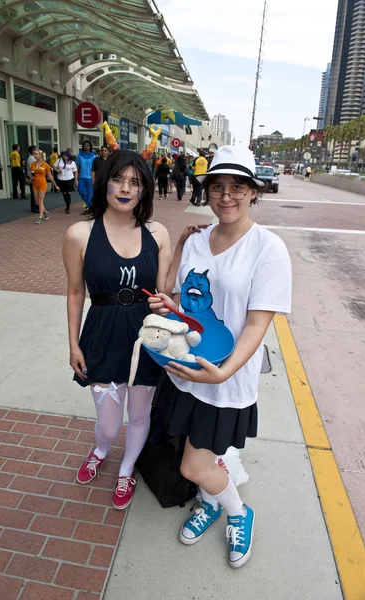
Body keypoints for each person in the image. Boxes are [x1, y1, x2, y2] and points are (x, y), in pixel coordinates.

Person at [148, 145, 292, 568]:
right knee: (200, 454)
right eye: (217, 187)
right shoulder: (196, 239)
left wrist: (223, 373)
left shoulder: (268, 249)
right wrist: (168, 306)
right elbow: (181, 301)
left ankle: (237, 511)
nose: (226, 195)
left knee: (193, 467)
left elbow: (255, 325)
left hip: (223, 380)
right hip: (182, 371)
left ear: (253, 192)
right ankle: (213, 501)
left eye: (237, 187)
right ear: (206, 191)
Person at [62, 150, 173, 510]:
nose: (126, 189)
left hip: (147, 338)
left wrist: (165, 296)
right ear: (104, 181)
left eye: (135, 182)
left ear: (144, 191)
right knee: (109, 424)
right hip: (102, 335)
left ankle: (127, 468)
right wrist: (73, 344)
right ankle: (101, 449)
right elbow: (76, 292)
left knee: (140, 415)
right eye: (118, 179)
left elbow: (163, 291)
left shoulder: (156, 233)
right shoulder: (80, 233)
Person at [30, 149, 59, 224]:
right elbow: (32, 174)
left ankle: (40, 217)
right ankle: (46, 212)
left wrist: (55, 185)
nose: (35, 156)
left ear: (41, 155)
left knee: (40, 200)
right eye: (34, 154)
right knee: (37, 202)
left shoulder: (46, 165)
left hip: (42, 183)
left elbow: (50, 176)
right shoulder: (33, 164)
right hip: (35, 184)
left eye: (36, 154)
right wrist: (30, 178)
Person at [76, 140, 97, 208]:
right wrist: (76, 178)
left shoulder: (93, 156)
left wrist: (95, 177)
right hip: (81, 177)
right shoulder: (80, 155)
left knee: (89, 193)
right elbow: (77, 167)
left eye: (88, 145)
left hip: (90, 177)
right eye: (85, 145)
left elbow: (95, 168)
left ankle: (88, 206)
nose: (86, 146)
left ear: (90, 146)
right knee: (80, 191)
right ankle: (88, 202)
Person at [26, 145, 38, 213]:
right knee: (34, 193)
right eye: (36, 149)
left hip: (35, 177)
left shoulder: (34, 158)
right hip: (32, 178)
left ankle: (36, 205)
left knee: (36, 192)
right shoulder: (31, 158)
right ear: (33, 151)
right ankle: (34, 207)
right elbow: (32, 169)